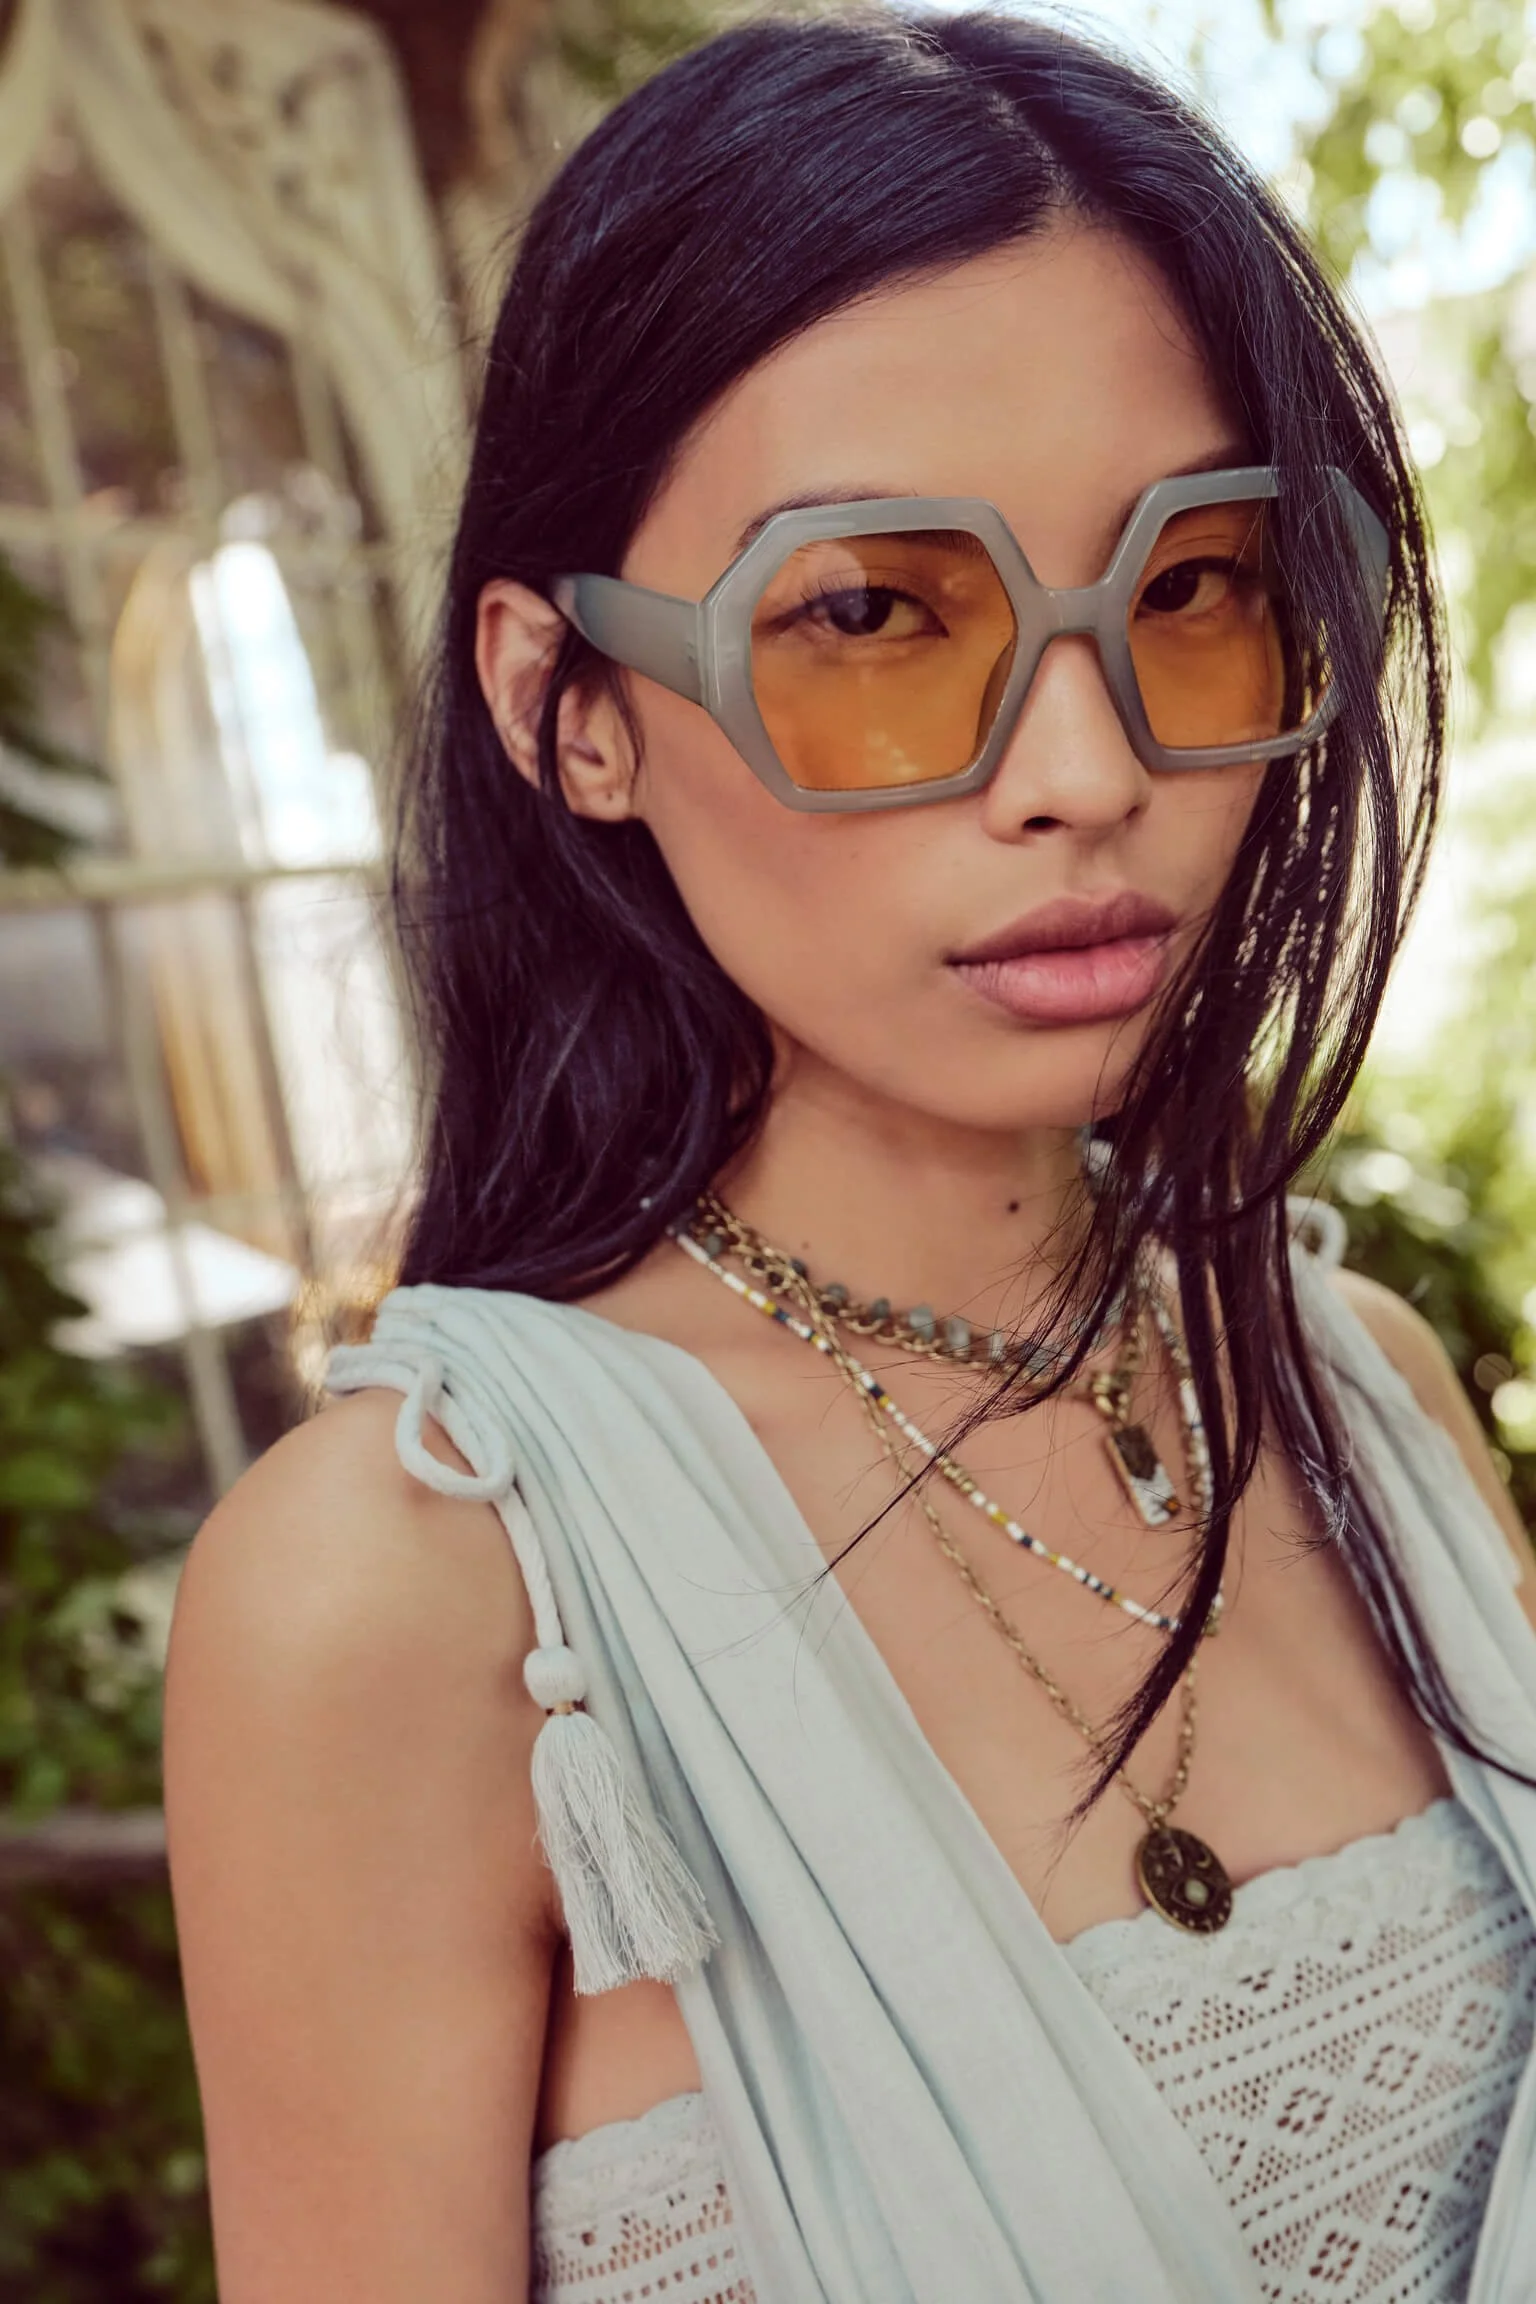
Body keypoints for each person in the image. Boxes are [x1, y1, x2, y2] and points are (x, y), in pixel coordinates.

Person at [162, 12, 1536, 2300]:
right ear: (566, 706)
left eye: (1191, 585)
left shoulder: (1359, 1390)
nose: (1083, 769)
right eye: (877, 617)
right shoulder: (411, 1607)